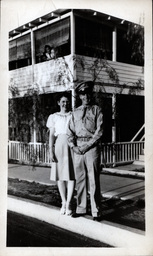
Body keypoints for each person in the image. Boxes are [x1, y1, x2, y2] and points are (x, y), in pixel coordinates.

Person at [67, 81, 103, 221]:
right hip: (78, 148)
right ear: (80, 96)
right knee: (80, 179)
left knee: (93, 179)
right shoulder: (75, 112)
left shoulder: (96, 110)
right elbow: (69, 131)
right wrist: (73, 146)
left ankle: (96, 211)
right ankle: (81, 208)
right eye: (83, 94)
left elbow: (99, 132)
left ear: (90, 94)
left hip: (91, 148)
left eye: (88, 93)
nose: (86, 96)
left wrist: (86, 146)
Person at [46, 92, 75, 215]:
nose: (65, 104)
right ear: (58, 103)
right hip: (58, 146)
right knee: (60, 175)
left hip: (71, 146)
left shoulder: (73, 115)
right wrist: (50, 150)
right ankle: (63, 202)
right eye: (63, 101)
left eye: (67, 102)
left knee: (71, 175)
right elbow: (51, 135)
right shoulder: (54, 117)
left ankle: (69, 203)